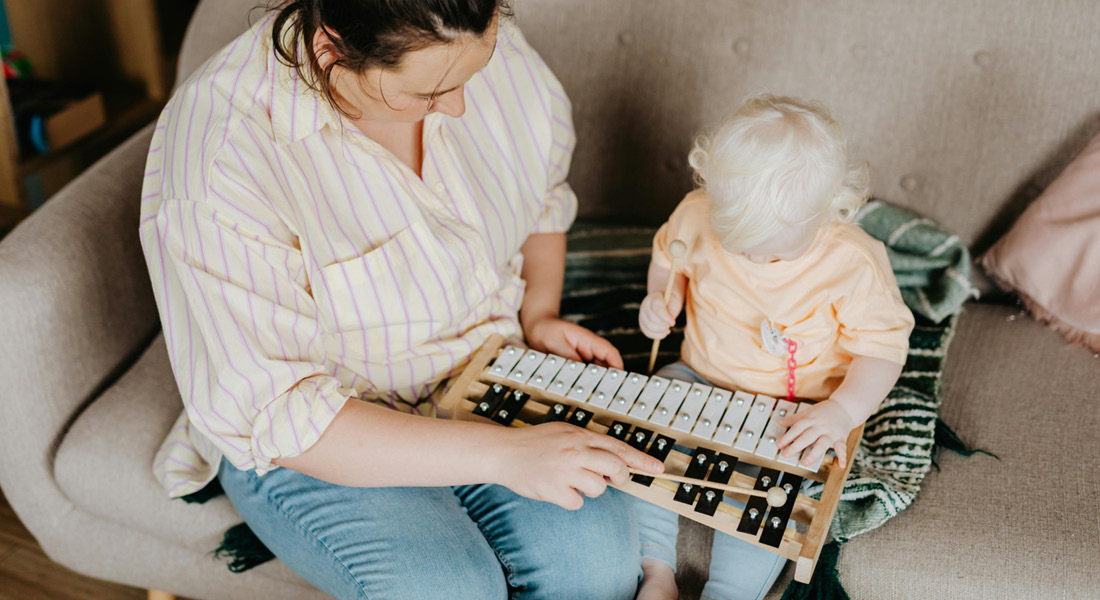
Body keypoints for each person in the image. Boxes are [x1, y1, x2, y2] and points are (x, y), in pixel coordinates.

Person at [139, 1, 664, 598]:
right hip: (328, 431)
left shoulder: (467, 40)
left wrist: (538, 313)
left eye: (472, 75)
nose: (462, 104)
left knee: (597, 571)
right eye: (431, 93)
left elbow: (543, 190)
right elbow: (287, 415)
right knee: (448, 588)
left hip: (488, 371)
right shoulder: (222, 158)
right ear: (329, 48)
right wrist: (504, 457)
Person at [633, 95, 915, 600]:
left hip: (791, 410)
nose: (757, 258)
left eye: (777, 250)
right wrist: (661, 297)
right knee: (639, 435)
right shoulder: (696, 214)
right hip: (698, 378)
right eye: (740, 244)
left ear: (832, 210)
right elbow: (667, 259)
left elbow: (883, 349)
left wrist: (841, 410)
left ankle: (729, 594)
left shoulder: (853, 262)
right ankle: (656, 571)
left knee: (766, 496)